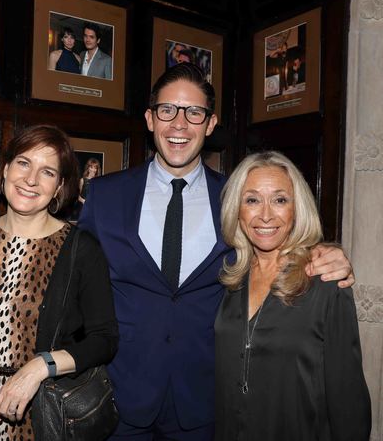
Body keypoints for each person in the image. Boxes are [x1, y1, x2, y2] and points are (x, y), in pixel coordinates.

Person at [78, 62, 354, 440]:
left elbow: (277, 240)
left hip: (206, 406)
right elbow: (77, 284)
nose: (179, 123)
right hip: (120, 402)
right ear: (149, 119)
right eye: (167, 110)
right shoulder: (104, 195)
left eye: (194, 112)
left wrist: (326, 255)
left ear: (210, 124)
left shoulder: (238, 199)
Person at [0, 125, 118, 440]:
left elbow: (104, 339)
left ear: (60, 186)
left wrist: (39, 367)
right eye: (24, 163)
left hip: (42, 414)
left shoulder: (81, 249)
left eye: (47, 172)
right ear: (6, 169)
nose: (31, 179)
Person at [215, 151, 371, 440]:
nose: (265, 215)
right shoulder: (229, 280)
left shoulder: (324, 284)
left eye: (280, 200)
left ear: (297, 209)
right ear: (237, 209)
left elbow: (348, 399)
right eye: (252, 200)